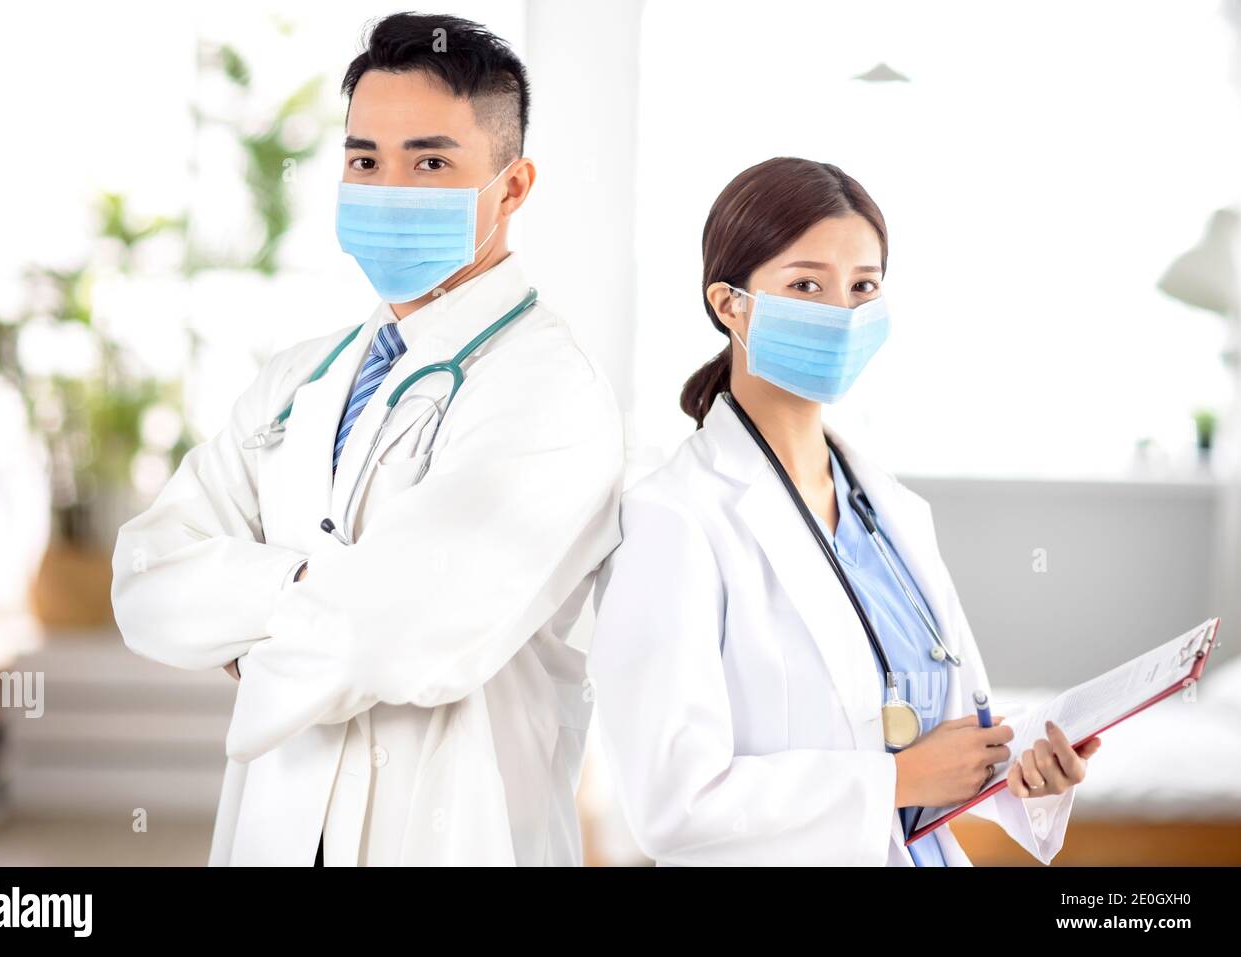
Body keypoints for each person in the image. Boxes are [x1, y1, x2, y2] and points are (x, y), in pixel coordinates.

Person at [111, 12, 624, 866]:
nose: (390, 187)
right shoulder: (298, 380)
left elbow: (402, 636)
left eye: (430, 161)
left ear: (513, 186)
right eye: (364, 160)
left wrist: (245, 623)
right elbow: (145, 580)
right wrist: (320, 592)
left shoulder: (553, 393)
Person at [586, 157, 1099, 866]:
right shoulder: (674, 518)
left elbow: (946, 743)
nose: (842, 313)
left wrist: (1025, 774)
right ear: (730, 304)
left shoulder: (893, 515)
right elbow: (670, 799)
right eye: (806, 285)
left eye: (863, 286)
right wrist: (894, 778)